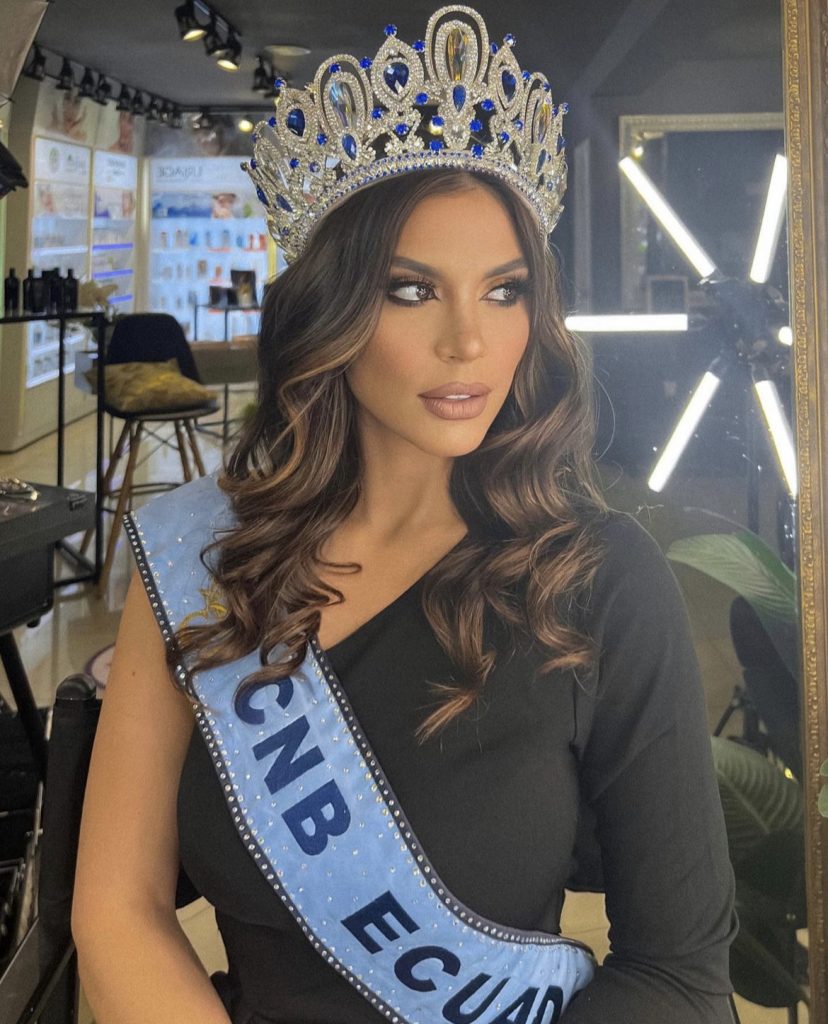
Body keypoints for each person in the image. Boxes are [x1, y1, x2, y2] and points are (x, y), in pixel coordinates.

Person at [72, 6, 736, 1023]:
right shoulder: (204, 557)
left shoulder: (598, 579)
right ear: (331, 310)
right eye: (412, 291)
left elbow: (680, 975)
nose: (469, 341)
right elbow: (117, 911)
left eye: (504, 291)